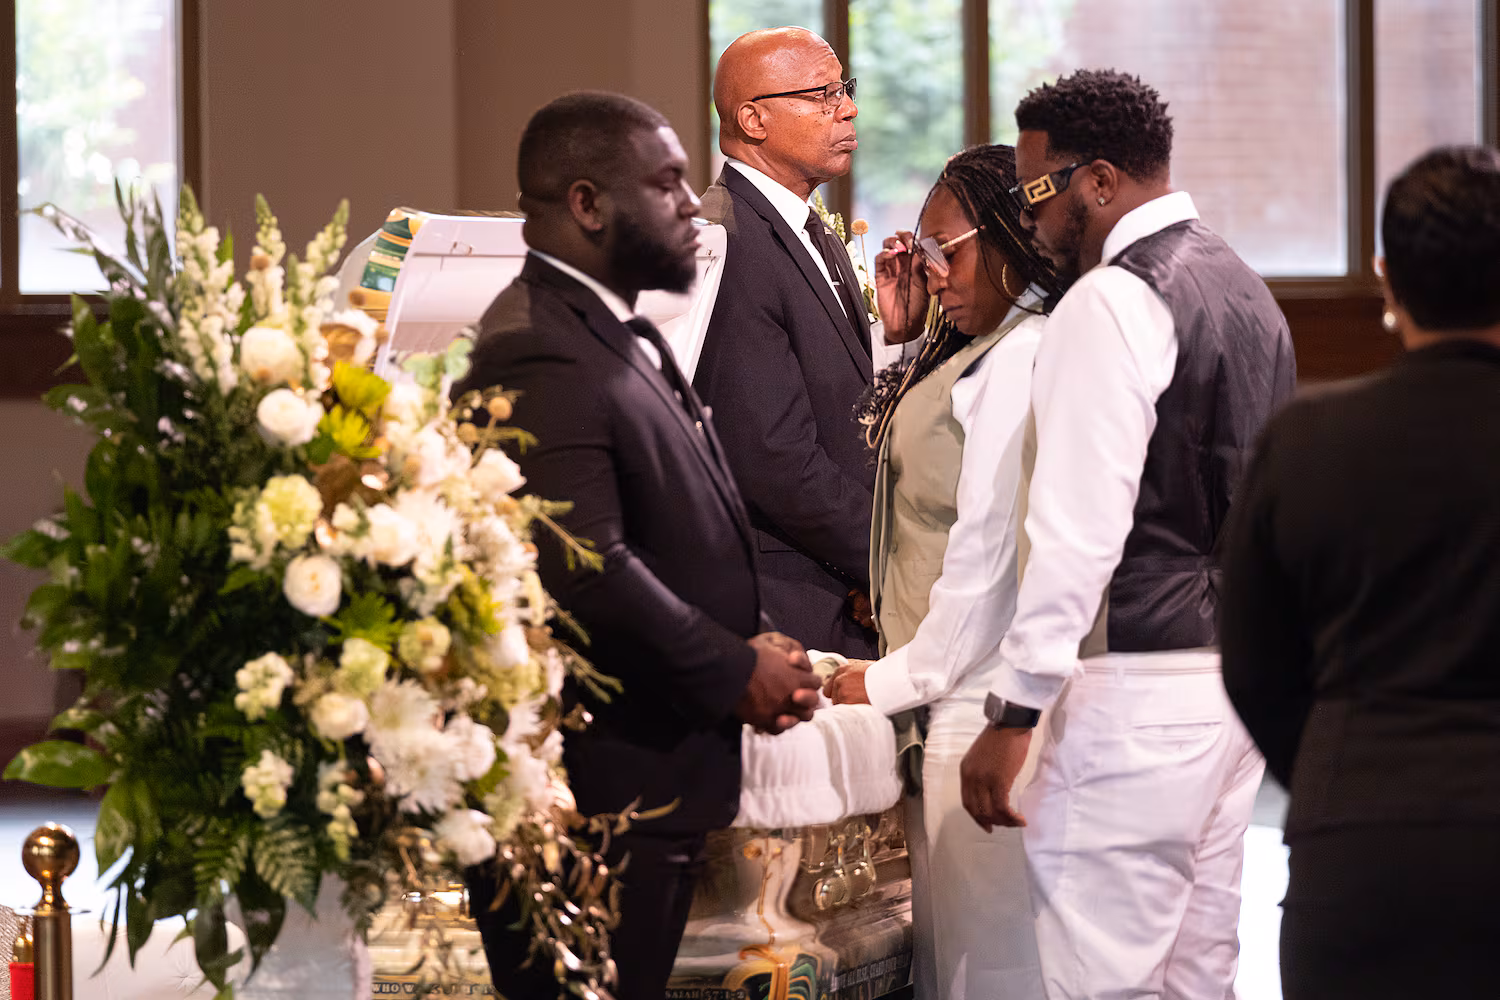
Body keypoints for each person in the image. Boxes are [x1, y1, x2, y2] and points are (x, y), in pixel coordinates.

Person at [452, 91, 822, 1000]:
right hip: (592, 785)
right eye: (666, 185)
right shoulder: (534, 346)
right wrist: (729, 663)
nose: (692, 204)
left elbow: (680, 523)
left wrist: (756, 632)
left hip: (646, 765)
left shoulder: (610, 328)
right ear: (586, 204)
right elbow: (584, 564)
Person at [957, 70, 1297, 1000]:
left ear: (1097, 181)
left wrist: (1015, 711)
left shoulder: (1111, 300)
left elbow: (1078, 530)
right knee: (1199, 975)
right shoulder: (1242, 282)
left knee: (1100, 981)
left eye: (1036, 192)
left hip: (1136, 685)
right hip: (1230, 683)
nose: (1028, 221)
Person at [1219, 145, 1500, 1000]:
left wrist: (1342, 766)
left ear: (1385, 276)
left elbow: (1254, 663)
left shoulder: (1307, 443)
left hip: (1361, 843)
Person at [824, 144, 1060, 1000]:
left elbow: (985, 556)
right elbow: (907, 467)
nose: (932, 272)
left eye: (946, 251)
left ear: (1005, 239)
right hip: (948, 688)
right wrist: (901, 338)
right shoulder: (972, 348)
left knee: (987, 966)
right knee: (951, 959)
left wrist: (891, 679)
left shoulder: (1021, 353)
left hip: (976, 693)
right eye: (921, 252)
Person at [693, 26, 879, 660]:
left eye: (845, 91)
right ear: (753, 119)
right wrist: (888, 559)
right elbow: (772, 457)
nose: (848, 109)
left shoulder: (807, 227)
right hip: (793, 602)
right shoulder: (727, 239)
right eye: (822, 94)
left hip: (839, 586)